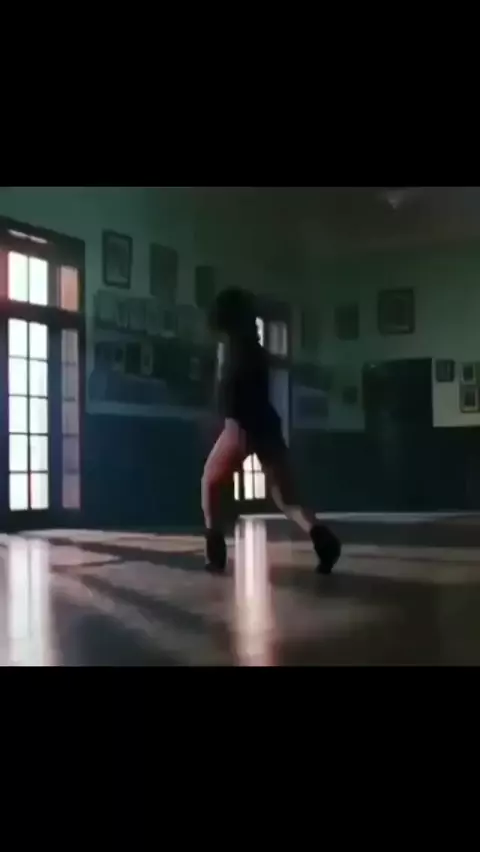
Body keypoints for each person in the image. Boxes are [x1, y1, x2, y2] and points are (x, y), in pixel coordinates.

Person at [201, 287, 341, 574]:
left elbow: (230, 394)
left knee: (210, 482)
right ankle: (322, 537)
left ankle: (215, 555)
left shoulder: (234, 350)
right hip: (267, 424)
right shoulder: (254, 349)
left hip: (241, 425)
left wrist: (232, 424)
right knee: (287, 498)